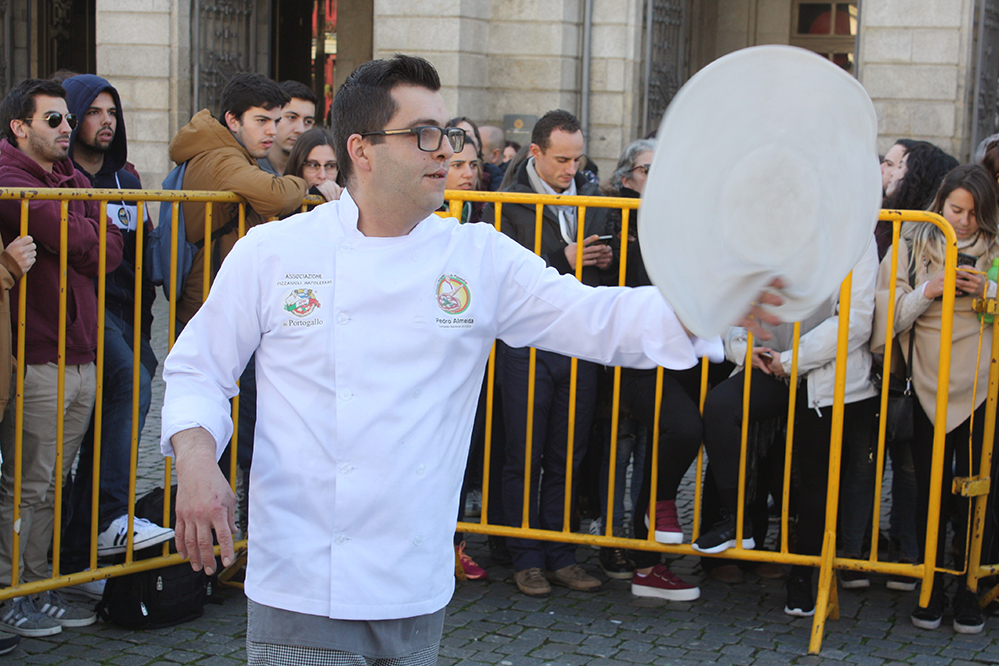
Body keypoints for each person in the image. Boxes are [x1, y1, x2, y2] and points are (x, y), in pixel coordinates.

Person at [162, 54, 780, 665]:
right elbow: (198, 368)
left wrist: (709, 306)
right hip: (300, 582)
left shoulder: (478, 256)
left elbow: (596, 319)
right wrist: (195, 462)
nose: (446, 151)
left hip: (412, 585)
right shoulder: (274, 252)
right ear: (362, 149)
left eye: (450, 134)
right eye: (425, 135)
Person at [694, 243, 880, 619]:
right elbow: (737, 300)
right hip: (771, 363)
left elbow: (855, 320)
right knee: (720, 407)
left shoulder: (855, 235)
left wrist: (793, 360)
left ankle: (803, 578)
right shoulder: (771, 221)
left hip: (826, 376)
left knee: (813, 481)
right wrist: (745, 350)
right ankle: (736, 519)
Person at [0, 78, 123, 636]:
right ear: (19, 128)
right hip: (37, 352)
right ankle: (10, 595)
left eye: (66, 120)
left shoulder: (70, 177)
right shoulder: (10, 178)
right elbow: (69, 234)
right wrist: (82, 231)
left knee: (53, 483)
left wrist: (79, 231)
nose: (67, 128)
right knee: (27, 482)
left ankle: (35, 583)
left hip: (80, 351)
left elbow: (111, 250)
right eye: (54, 120)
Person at [169, 73, 310, 534]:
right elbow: (272, 195)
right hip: (208, 303)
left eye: (276, 120)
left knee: (239, 417)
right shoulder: (218, 156)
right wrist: (308, 188)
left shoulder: (223, 151)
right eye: (261, 120)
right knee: (222, 420)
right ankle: (214, 534)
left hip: (220, 300)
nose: (271, 131)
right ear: (232, 120)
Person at [484, 109, 616, 597]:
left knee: (568, 453)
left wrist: (605, 257)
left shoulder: (594, 198)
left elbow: (608, 266)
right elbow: (501, 269)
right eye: (562, 159)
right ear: (535, 153)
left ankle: (561, 553)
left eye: (578, 159)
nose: (571, 169)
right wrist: (563, 259)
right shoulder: (506, 203)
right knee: (523, 451)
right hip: (526, 344)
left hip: (579, 342)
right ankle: (526, 556)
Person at [873, 164, 999, 635]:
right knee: (925, 492)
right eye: (956, 210)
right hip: (925, 384)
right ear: (941, 204)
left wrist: (987, 289)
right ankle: (929, 587)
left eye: (973, 213)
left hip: (983, 386)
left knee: (977, 491)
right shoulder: (911, 242)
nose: (964, 222)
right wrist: (929, 289)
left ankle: (969, 589)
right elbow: (885, 313)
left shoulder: (996, 248)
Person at [59, 75, 174, 586]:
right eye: (94, 112)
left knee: (111, 422)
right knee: (133, 389)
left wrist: (145, 332)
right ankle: (107, 518)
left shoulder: (127, 179)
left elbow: (139, 259)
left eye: (113, 112)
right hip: (83, 310)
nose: (105, 121)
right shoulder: (59, 178)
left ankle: (81, 546)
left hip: (128, 317)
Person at [258, 80, 317, 177]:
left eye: (308, 122)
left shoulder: (319, 174)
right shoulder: (248, 166)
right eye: (291, 117)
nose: (300, 130)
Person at [284, 127, 343, 202]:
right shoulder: (281, 204)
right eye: (313, 165)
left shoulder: (350, 202)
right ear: (298, 165)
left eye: (330, 166)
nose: (322, 176)